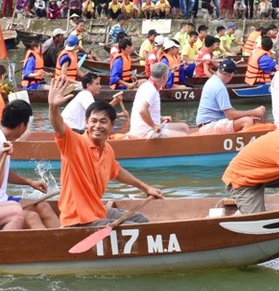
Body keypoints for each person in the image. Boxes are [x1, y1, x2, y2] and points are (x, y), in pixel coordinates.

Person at [46, 74, 163, 227]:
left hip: (97, 209)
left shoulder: (107, 149)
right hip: (78, 217)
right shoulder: (74, 142)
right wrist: (53, 107)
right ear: (86, 122)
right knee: (130, 227)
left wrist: (146, 188)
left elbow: (117, 171)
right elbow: (58, 126)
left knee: (140, 220)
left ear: (112, 124)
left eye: (103, 121)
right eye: (93, 121)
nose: (97, 126)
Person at [0, 100, 60, 229]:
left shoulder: (4, 141)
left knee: (43, 206)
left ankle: (63, 243)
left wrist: (30, 182)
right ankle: (49, 247)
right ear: (22, 125)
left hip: (2, 199)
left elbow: (2, 173)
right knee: (31, 217)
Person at [195, 59, 265, 134]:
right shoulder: (220, 87)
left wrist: (251, 114)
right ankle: (246, 146)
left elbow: (231, 110)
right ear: (230, 75)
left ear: (219, 69)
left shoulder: (212, 80)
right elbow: (230, 115)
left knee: (248, 118)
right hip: (209, 126)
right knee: (247, 121)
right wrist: (254, 111)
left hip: (207, 124)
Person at [127, 63, 190, 138]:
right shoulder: (151, 90)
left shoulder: (148, 86)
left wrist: (161, 118)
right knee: (184, 136)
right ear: (164, 77)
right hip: (145, 132)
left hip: (150, 128)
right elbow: (142, 110)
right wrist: (154, 126)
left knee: (184, 127)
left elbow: (146, 110)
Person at [61, 72, 126, 133]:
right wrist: (118, 113)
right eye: (97, 84)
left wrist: (115, 102)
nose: (100, 86)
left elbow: (98, 111)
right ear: (88, 85)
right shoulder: (85, 95)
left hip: (70, 128)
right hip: (70, 129)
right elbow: (97, 113)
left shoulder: (85, 94)